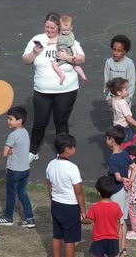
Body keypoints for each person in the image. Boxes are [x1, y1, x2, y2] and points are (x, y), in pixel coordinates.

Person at [22, 12, 86, 163]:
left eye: (52, 28)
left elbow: (81, 58)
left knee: (61, 121)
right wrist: (34, 53)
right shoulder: (37, 40)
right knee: (39, 121)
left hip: (66, 90)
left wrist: (68, 58)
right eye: (47, 27)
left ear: (59, 27)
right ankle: (33, 151)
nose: (49, 30)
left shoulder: (68, 38)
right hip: (42, 91)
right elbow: (25, 60)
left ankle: (62, 153)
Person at [0, 106, 35, 228]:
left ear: (19, 120)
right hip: (25, 169)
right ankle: (29, 218)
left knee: (10, 193)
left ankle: (8, 217)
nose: (8, 121)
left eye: (10, 119)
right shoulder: (25, 132)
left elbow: (4, 153)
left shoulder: (13, 135)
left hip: (14, 170)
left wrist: (10, 151)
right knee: (22, 193)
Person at [46, 133, 86, 257]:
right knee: (70, 239)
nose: (75, 149)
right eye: (73, 147)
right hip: (70, 206)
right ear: (67, 149)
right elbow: (78, 191)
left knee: (57, 235)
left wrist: (52, 200)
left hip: (56, 204)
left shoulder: (51, 164)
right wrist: (83, 209)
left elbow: (49, 185)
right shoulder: (72, 168)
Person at [105, 126, 136, 256]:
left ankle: (116, 251)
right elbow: (134, 168)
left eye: (107, 139)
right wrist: (130, 180)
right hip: (125, 191)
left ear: (112, 140)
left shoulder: (112, 158)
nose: (106, 141)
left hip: (116, 191)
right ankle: (122, 249)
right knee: (123, 220)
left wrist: (124, 180)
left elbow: (118, 178)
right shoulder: (124, 153)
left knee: (116, 222)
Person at [82, 176, 122, 257]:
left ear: (98, 193)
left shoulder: (95, 207)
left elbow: (89, 221)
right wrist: (116, 236)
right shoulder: (116, 206)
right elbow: (118, 223)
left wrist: (81, 219)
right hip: (113, 239)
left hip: (98, 239)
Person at [51, 15, 87, 85]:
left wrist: (74, 55)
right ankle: (83, 76)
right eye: (63, 30)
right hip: (65, 52)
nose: (65, 32)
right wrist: (52, 42)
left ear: (71, 27)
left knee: (54, 64)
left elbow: (72, 46)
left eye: (67, 30)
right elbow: (59, 41)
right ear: (60, 28)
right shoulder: (61, 34)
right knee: (75, 66)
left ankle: (61, 75)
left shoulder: (70, 36)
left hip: (65, 54)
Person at [106, 77, 136, 149]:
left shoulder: (114, 99)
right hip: (123, 128)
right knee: (127, 145)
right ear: (119, 92)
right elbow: (128, 118)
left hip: (116, 126)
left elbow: (109, 102)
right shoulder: (123, 103)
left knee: (118, 146)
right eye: (126, 89)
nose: (127, 91)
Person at [103, 35, 136, 106]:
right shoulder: (109, 62)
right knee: (115, 117)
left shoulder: (129, 63)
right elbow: (107, 81)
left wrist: (127, 100)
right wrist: (107, 98)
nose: (115, 53)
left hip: (125, 99)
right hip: (113, 99)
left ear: (125, 51)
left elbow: (131, 83)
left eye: (119, 50)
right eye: (114, 49)